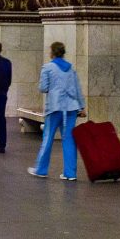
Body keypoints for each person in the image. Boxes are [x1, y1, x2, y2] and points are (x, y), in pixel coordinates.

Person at [28, 42, 83, 181]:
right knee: (69, 139)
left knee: (48, 138)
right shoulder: (71, 69)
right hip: (71, 108)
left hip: (54, 107)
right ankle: (70, 173)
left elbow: (43, 87)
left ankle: (41, 169)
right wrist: (81, 107)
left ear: (52, 53)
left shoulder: (47, 68)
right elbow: (77, 89)